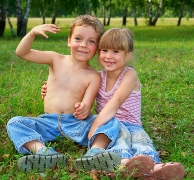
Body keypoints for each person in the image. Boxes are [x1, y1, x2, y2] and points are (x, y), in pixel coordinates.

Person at [42, 27, 185, 179]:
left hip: (132, 124)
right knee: (119, 140)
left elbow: (115, 102)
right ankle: (123, 164)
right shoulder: (97, 77)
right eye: (104, 50)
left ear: (128, 55)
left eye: (116, 52)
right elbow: (76, 94)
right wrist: (50, 88)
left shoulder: (129, 74)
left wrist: (95, 124)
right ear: (98, 52)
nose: (109, 56)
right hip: (110, 126)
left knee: (140, 140)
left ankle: (153, 166)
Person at [6, 15, 121, 173]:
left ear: (97, 48)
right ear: (69, 40)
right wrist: (32, 33)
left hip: (75, 124)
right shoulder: (55, 59)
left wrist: (84, 109)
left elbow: (87, 105)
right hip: (47, 122)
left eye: (91, 41)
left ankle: (94, 153)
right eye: (78, 39)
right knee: (14, 123)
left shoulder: (94, 76)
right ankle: (43, 152)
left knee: (110, 121)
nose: (83, 45)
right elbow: (22, 52)